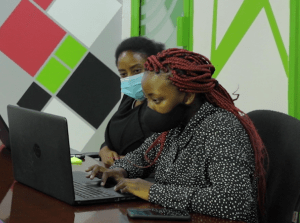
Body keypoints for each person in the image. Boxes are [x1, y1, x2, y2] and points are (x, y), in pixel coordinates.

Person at [87, 48, 267, 223]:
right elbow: (142, 156)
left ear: (187, 96)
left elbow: (235, 202)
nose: (149, 107)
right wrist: (120, 170)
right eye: (147, 99)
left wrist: (152, 191)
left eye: (156, 100)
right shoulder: (175, 125)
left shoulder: (221, 128)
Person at [99, 37, 165, 167]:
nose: (130, 78)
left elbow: (163, 158)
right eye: (123, 74)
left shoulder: (162, 107)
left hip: (142, 181)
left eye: (137, 71)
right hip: (117, 173)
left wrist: (125, 163)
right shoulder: (130, 98)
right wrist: (104, 150)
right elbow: (114, 137)